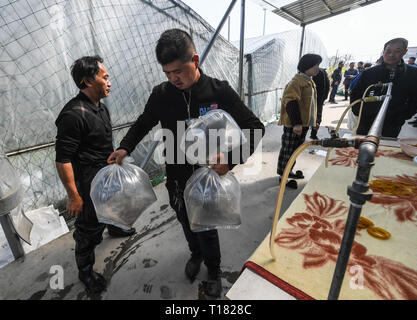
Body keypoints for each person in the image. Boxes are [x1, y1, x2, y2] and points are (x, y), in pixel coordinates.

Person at [107, 29, 265, 298]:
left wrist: (231, 159)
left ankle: (213, 270)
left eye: (178, 71)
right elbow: (144, 122)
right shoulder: (162, 94)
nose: (173, 78)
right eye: (167, 73)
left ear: (195, 60)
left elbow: (255, 127)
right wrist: (124, 147)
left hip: (209, 178)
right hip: (177, 178)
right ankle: (195, 254)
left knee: (206, 225)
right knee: (185, 220)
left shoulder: (219, 91)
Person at [55, 56, 136, 294]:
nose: (109, 82)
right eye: (105, 77)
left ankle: (115, 228)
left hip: (104, 175)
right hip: (87, 183)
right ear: (88, 81)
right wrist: (73, 196)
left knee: (113, 206)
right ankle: (86, 271)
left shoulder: (99, 107)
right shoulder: (73, 114)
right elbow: (63, 159)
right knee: (88, 229)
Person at [350, 38, 417, 137]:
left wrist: (403, 115)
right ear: (383, 51)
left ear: (405, 52)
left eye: (397, 51)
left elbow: (415, 99)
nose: (391, 55)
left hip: (393, 123)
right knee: (362, 147)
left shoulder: (412, 74)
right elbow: (355, 94)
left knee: (387, 149)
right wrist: (360, 113)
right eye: (388, 51)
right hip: (367, 121)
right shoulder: (369, 73)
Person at [277, 53, 321, 189]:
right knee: (288, 150)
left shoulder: (309, 81)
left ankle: (288, 171)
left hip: (303, 124)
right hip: (294, 125)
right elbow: (290, 101)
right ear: (306, 66)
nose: (317, 69)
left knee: (295, 150)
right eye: (315, 66)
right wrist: (296, 123)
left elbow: (312, 104)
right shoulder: (296, 82)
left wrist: (315, 120)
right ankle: (283, 176)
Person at [310, 67, 330, 140]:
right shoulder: (322, 71)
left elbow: (326, 85)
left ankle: (310, 134)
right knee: (317, 116)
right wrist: (324, 98)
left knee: (309, 116)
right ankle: (313, 134)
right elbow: (327, 86)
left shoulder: (314, 71)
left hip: (314, 97)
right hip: (319, 98)